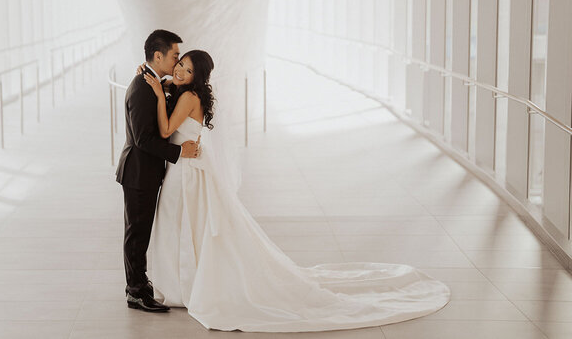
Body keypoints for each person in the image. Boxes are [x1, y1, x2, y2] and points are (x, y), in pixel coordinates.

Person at [142, 49, 451, 332]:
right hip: (189, 167)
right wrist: (167, 86)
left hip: (187, 172)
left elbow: (167, 130)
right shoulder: (187, 94)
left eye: (188, 69)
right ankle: (186, 282)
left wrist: (157, 92)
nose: (180, 70)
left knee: (180, 222)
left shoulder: (185, 98)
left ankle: (184, 285)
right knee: (189, 225)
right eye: (180, 64)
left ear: (198, 78)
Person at [115, 29, 200, 313]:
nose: (177, 62)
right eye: (175, 56)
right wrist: (178, 152)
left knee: (141, 232)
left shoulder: (152, 81)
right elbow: (143, 139)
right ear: (158, 55)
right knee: (137, 234)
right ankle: (136, 292)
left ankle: (140, 283)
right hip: (138, 172)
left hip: (147, 172)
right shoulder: (142, 87)